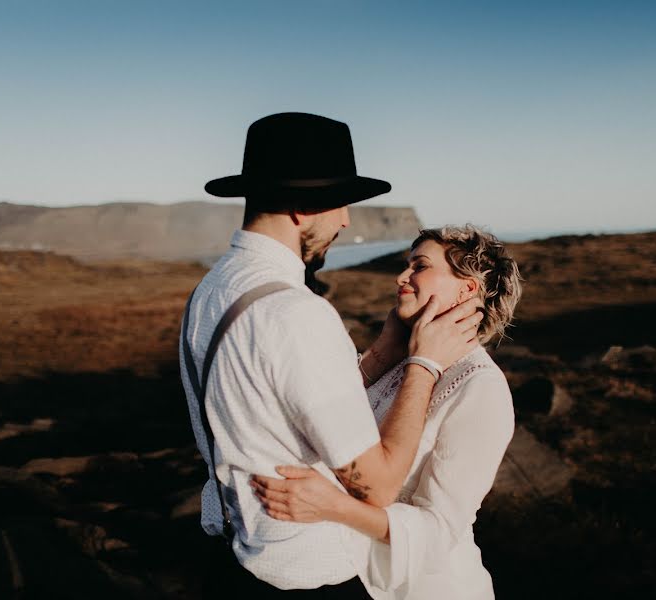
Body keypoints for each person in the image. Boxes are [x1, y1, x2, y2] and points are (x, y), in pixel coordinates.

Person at [180, 112, 484, 598]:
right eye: (341, 204)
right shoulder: (296, 314)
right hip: (303, 575)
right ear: (303, 207)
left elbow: (287, 399)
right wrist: (423, 364)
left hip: (232, 557)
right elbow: (378, 487)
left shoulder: (210, 290)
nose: (345, 219)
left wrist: (386, 347)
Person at [252, 225, 522, 600]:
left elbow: (438, 531)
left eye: (420, 266)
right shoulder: (403, 359)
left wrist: (334, 507)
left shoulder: (481, 389)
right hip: (345, 575)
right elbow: (329, 420)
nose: (402, 277)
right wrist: (385, 348)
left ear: (467, 289)